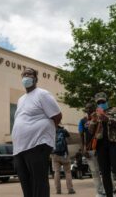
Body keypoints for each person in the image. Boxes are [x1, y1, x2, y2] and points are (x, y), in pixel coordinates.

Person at [12, 67, 62, 197]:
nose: (26, 76)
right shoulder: (21, 99)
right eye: (24, 74)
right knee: (26, 184)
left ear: (35, 78)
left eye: (29, 74)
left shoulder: (42, 94)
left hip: (37, 144)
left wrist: (42, 130)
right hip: (19, 148)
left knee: (39, 183)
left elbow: (57, 116)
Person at [79, 103, 106, 197]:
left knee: (105, 169)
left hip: (101, 148)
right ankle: (99, 192)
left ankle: (112, 190)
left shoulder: (100, 118)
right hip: (90, 149)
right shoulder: (82, 121)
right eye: (87, 108)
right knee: (94, 172)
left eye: (90, 108)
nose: (89, 110)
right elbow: (81, 136)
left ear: (94, 109)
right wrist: (84, 149)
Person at [52, 125, 76, 194]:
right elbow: (70, 140)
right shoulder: (63, 131)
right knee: (68, 172)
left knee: (56, 172)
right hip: (64, 154)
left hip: (55, 154)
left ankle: (58, 190)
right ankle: (70, 189)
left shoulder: (51, 131)